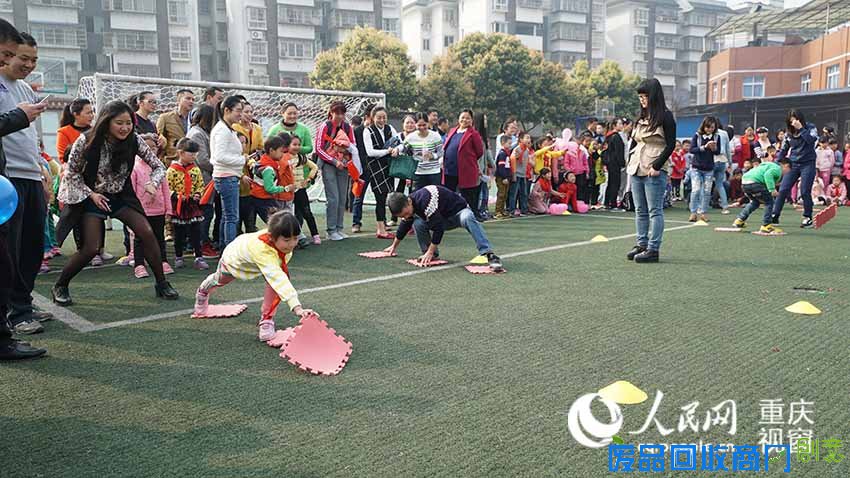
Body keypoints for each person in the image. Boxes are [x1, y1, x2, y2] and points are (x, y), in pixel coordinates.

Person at [52, 100, 179, 305]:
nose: (125, 128)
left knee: (147, 232)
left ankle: (162, 283)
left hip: (120, 195)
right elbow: (71, 173)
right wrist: (91, 194)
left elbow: (158, 166)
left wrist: (153, 183)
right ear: (106, 121)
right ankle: (61, 285)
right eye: (119, 123)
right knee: (92, 247)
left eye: (129, 123)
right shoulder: (86, 140)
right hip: (89, 197)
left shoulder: (134, 140)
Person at [1, 32, 56, 334]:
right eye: (23, 58)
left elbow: (30, 137)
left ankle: (22, 301)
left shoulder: (24, 87)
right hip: (7, 181)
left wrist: (42, 169)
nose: (28, 65)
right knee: (11, 248)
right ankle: (16, 311)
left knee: (33, 246)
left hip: (32, 175)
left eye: (33, 59)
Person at [194, 211, 314, 341]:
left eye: (295, 238)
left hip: (259, 263)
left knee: (273, 285)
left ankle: (266, 321)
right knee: (220, 280)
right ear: (272, 237)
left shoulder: (283, 248)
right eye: (286, 240)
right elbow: (279, 279)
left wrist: (296, 307)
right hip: (234, 261)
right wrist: (297, 308)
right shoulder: (261, 249)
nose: (291, 244)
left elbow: (277, 279)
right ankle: (202, 293)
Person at [384, 187, 504, 271]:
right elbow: (404, 225)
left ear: (409, 202)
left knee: (468, 217)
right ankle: (430, 255)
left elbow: (438, 229)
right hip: (441, 218)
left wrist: (430, 251)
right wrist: (393, 247)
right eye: (402, 216)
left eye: (405, 213)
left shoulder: (425, 201)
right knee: (417, 223)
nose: (405, 217)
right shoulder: (409, 207)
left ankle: (489, 254)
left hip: (458, 213)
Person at [626, 78, 676, 264]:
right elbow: (634, 141)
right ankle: (641, 243)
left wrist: (656, 166)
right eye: (640, 97)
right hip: (636, 166)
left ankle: (653, 249)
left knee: (655, 210)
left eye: (645, 96)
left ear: (653, 96)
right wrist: (629, 160)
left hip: (654, 168)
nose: (642, 100)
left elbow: (670, 145)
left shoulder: (665, 116)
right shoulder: (640, 118)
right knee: (640, 209)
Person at [129, 133, 172, 279]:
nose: (150, 151)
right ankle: (139, 264)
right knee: (140, 238)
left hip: (158, 210)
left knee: (159, 237)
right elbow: (132, 191)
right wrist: (133, 211)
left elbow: (166, 189)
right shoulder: (134, 168)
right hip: (142, 211)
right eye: (146, 148)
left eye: (153, 148)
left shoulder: (159, 166)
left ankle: (163, 260)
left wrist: (168, 208)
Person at [315, 101, 355, 241]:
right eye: (337, 113)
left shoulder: (347, 127)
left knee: (342, 197)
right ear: (331, 113)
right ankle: (331, 230)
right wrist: (333, 161)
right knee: (333, 198)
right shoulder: (324, 126)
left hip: (343, 165)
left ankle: (339, 228)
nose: (339, 116)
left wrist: (346, 160)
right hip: (328, 165)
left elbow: (352, 145)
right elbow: (319, 149)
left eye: (342, 113)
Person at [771, 109, 818, 228]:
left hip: (808, 163)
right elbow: (784, 149)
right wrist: (777, 162)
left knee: (804, 191)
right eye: (791, 120)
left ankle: (807, 217)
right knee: (783, 190)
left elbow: (811, 141)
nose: (794, 122)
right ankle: (774, 215)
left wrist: (801, 129)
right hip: (793, 163)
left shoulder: (810, 127)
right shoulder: (788, 133)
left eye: (796, 119)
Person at [167, 138, 209, 270]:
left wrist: (197, 193)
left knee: (196, 232)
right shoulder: (172, 170)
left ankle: (199, 257)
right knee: (179, 233)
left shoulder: (195, 170)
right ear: (180, 153)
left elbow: (200, 185)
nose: (194, 157)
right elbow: (167, 187)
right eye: (191, 154)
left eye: (195, 154)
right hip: (178, 206)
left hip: (192, 206)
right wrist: (176, 196)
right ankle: (179, 256)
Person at [210, 95, 245, 248]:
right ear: (226, 110)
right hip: (226, 177)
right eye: (238, 110)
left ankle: (225, 248)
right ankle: (229, 251)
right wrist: (242, 160)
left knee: (227, 215)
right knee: (231, 217)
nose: (241, 114)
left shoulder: (226, 128)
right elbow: (219, 156)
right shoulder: (222, 130)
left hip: (227, 176)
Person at [186, 105, 219, 259]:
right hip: (202, 179)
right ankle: (201, 245)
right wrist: (220, 168)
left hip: (206, 178)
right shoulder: (197, 134)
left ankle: (201, 242)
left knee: (206, 212)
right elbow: (202, 159)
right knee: (204, 211)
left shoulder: (202, 132)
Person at [362, 106, 399, 239]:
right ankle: (380, 229)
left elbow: (399, 141)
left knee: (385, 196)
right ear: (373, 118)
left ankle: (383, 226)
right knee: (380, 197)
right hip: (375, 167)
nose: (382, 120)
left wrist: (397, 150)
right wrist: (387, 151)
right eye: (379, 117)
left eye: (384, 117)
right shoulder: (368, 131)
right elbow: (370, 152)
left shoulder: (390, 128)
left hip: (388, 166)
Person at [442, 109, 485, 210]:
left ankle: (472, 216)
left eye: (468, 118)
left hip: (465, 170)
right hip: (449, 170)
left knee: (469, 196)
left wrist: (467, 159)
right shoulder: (452, 131)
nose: (465, 120)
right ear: (459, 119)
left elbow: (479, 152)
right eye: (463, 117)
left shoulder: (474, 134)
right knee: (449, 195)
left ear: (471, 120)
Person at [732, 159, 788, 234]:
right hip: (755, 183)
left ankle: (739, 220)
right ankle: (766, 225)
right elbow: (768, 175)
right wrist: (772, 189)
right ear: (785, 166)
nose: (787, 173)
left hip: (745, 182)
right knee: (769, 202)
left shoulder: (766, 166)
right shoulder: (777, 169)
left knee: (754, 202)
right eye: (788, 170)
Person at [251, 134, 293, 224]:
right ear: (271, 150)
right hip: (264, 200)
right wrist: (286, 188)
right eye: (281, 151)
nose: (282, 154)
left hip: (258, 197)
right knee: (277, 224)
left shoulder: (262, 162)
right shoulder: (268, 169)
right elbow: (269, 188)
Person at [288, 135, 320, 246]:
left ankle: (315, 235)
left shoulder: (301, 157)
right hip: (288, 190)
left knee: (306, 212)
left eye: (298, 145)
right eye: (294, 144)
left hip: (300, 190)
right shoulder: (284, 158)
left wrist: (309, 179)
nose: (297, 147)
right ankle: (294, 237)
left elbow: (314, 167)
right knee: (289, 214)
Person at [689, 117, 720, 223]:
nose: (709, 129)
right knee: (696, 190)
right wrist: (704, 147)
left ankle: (703, 213)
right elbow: (692, 149)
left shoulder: (716, 137)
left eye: (712, 127)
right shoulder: (697, 136)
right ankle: (693, 213)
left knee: (707, 192)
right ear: (703, 126)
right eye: (707, 127)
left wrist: (714, 149)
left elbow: (717, 152)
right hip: (696, 167)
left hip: (709, 168)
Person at [403, 112, 444, 191]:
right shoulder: (410, 137)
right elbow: (403, 150)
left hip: (433, 172)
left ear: (428, 123)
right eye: (419, 125)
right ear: (415, 124)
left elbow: (441, 152)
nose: (422, 127)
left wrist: (433, 156)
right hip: (418, 173)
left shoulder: (435, 136)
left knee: (434, 197)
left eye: (424, 125)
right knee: (416, 198)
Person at [351, 107, 374, 233]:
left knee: (381, 196)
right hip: (362, 169)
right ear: (367, 116)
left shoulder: (378, 130)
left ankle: (382, 221)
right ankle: (356, 222)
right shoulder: (357, 131)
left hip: (376, 168)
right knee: (358, 196)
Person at [156, 88, 194, 165]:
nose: (191, 101)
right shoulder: (165, 118)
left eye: (193, 100)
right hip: (172, 161)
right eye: (188, 98)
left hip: (190, 163)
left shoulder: (194, 120)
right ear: (178, 100)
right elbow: (157, 136)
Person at [56, 97, 93, 163]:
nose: (91, 116)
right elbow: (63, 159)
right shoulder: (63, 132)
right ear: (76, 114)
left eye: (92, 112)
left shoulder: (95, 131)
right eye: (88, 113)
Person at [507, 132, 533, 216]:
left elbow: (527, 163)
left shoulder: (527, 150)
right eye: (527, 138)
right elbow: (512, 160)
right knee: (514, 193)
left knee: (523, 193)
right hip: (517, 174)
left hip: (523, 174)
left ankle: (523, 210)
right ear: (521, 139)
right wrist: (513, 174)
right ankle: (511, 210)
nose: (529, 140)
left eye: (529, 138)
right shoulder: (517, 149)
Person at [603, 118, 627, 210]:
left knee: (611, 182)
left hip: (610, 162)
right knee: (615, 183)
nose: (621, 125)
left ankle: (607, 202)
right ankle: (612, 203)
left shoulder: (609, 136)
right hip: (614, 163)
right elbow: (618, 152)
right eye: (620, 123)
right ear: (614, 125)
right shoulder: (615, 136)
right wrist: (622, 163)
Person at [475, 112, 495, 220]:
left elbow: (487, 153)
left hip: (483, 169)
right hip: (477, 170)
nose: (486, 122)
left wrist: (492, 165)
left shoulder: (483, 137)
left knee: (484, 192)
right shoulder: (476, 136)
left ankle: (483, 210)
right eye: (485, 120)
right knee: (479, 193)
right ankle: (478, 211)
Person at [493, 135, 513, 219]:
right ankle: (497, 211)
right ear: (503, 143)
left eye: (510, 143)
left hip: (506, 177)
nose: (510, 145)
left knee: (505, 194)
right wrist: (504, 177)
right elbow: (501, 167)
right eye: (509, 143)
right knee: (501, 194)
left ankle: (502, 210)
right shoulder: (502, 154)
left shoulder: (507, 153)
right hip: (501, 177)